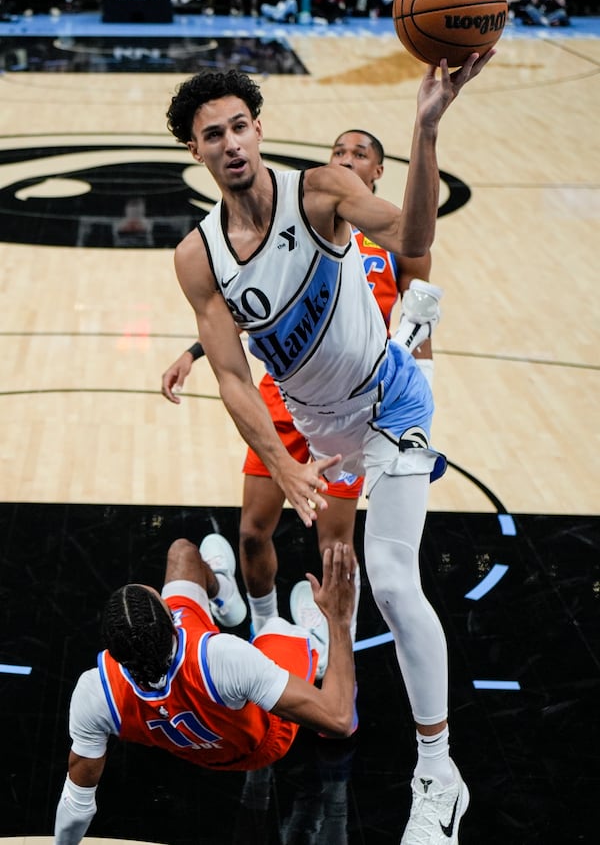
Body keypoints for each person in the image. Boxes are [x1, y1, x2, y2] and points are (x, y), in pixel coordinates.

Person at [165, 58, 493, 842]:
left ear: (259, 129)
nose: (233, 142)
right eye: (214, 134)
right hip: (323, 435)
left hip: (391, 400)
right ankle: (302, 629)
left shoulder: (317, 192)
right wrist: (282, 462)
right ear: (196, 152)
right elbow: (237, 380)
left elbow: (414, 237)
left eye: (241, 125)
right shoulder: (197, 258)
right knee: (333, 566)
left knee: (390, 576)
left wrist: (427, 125)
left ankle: (437, 772)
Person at [161, 129, 443, 670]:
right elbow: (255, 308)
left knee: (337, 547)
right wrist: (196, 352)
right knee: (249, 531)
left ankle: (341, 656)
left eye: (360, 153)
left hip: (357, 400)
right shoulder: (306, 223)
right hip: (283, 393)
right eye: (339, 151)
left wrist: (422, 380)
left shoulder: (383, 243)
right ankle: (264, 627)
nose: (345, 158)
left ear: (377, 172)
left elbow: (418, 314)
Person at [53, 536, 357, 844]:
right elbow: (338, 718)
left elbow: (77, 805)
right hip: (260, 741)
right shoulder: (221, 657)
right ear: (174, 623)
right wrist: (339, 618)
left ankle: (228, 601)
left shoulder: (95, 693)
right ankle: (318, 651)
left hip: (192, 748)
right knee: (278, 629)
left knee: (183, 552)